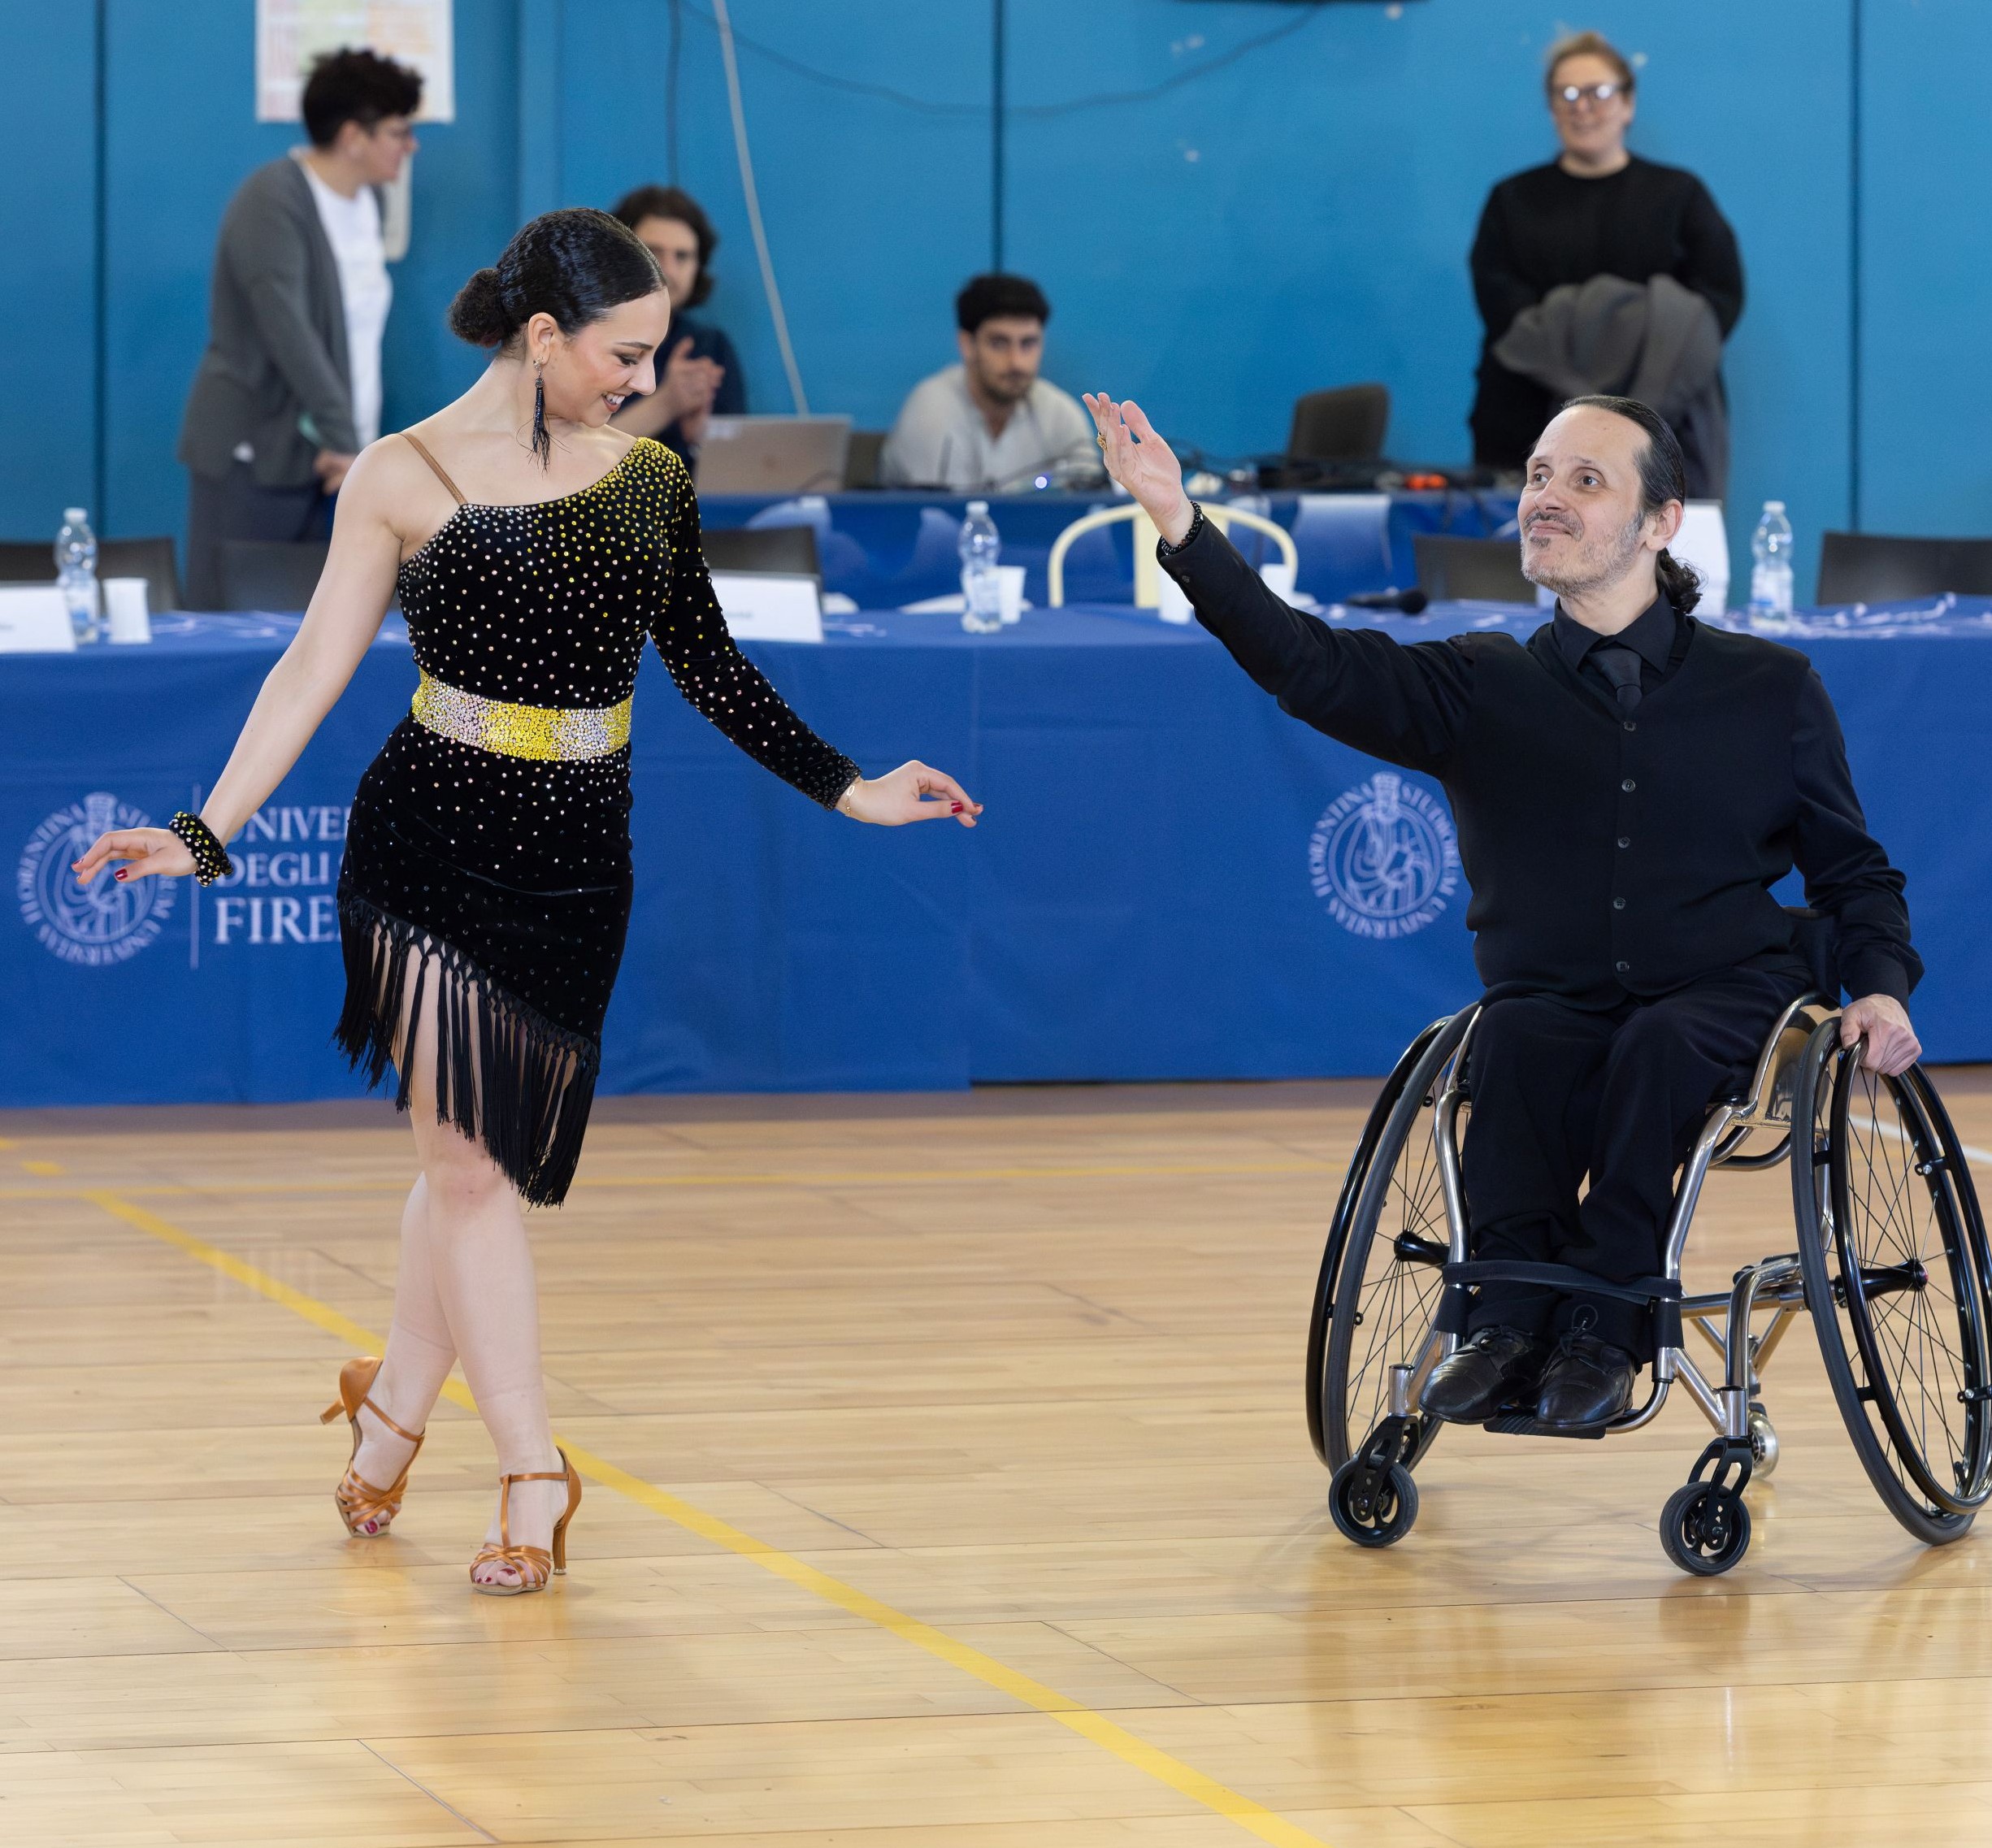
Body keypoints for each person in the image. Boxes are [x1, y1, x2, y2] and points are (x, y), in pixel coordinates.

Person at [78, 209, 980, 1595]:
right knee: (470, 1167)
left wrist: (850, 786)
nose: (643, 379)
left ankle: (387, 1416)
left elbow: (715, 669)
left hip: (579, 853)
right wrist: (206, 831)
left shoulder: (649, 480)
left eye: (656, 354)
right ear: (543, 335)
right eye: (623, 353)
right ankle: (535, 1467)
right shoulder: (403, 469)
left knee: (466, 1161)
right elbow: (311, 666)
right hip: (426, 837)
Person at [1084, 386, 1920, 1432]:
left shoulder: (1772, 688)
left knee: (1658, 1043)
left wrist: (1880, 987)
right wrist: (1179, 521)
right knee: (1519, 1038)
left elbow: (1854, 874)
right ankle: (1507, 1322)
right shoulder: (1484, 684)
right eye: (1536, 476)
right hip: (1553, 994)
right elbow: (1309, 665)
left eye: (1584, 480)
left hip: (1723, 990)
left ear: (1661, 524)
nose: (1546, 498)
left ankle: (1608, 1331)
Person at [180, 48, 423, 609]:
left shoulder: (366, 205)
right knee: (234, 630)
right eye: (397, 130)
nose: (410, 145)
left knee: (317, 631)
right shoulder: (271, 201)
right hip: (257, 454)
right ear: (352, 136)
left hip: (329, 458)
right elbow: (288, 332)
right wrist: (344, 438)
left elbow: (353, 342)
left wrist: (351, 446)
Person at [1469, 33, 1743, 481]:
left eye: (1598, 92)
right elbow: (1504, 309)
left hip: (1664, 428)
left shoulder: (1680, 195)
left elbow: (1716, 304)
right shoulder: (1511, 200)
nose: (1582, 106)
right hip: (1525, 421)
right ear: (1552, 107)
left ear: (1628, 104)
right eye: (1568, 94)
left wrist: (1642, 401)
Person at [880, 274, 1096, 491]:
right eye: (999, 344)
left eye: (1028, 343)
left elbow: (1096, 503)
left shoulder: (1060, 414)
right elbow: (941, 517)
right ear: (967, 345)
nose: (1016, 362)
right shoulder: (931, 411)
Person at [607, 184, 744, 464]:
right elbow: (567, 457)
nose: (668, 270)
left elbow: (739, 469)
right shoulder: (586, 339)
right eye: (654, 252)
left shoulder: (711, 347)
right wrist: (666, 404)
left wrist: (701, 441)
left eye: (682, 256)